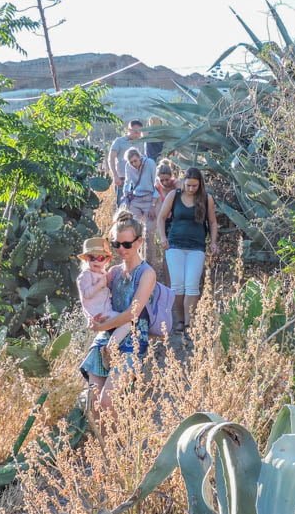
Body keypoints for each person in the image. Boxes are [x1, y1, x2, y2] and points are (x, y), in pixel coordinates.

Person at [80, 211, 157, 420]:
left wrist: (104, 327)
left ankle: (119, 447)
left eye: (126, 244)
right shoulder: (112, 272)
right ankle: (104, 449)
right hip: (106, 336)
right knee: (93, 402)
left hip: (131, 337)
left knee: (108, 400)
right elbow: (94, 299)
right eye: (116, 245)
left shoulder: (146, 273)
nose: (121, 250)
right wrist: (92, 318)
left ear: (139, 241)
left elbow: (133, 312)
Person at [156, 167, 218, 334]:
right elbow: (161, 217)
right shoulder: (174, 196)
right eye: (188, 185)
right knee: (177, 285)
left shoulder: (206, 199)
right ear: (183, 182)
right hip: (175, 245)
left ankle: (190, 323)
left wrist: (213, 241)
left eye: (195, 186)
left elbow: (212, 222)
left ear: (200, 185)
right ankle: (179, 320)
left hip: (196, 246)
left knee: (191, 284)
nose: (191, 189)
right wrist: (163, 238)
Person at [76, 237, 131, 369]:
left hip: (106, 311)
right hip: (98, 313)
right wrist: (100, 284)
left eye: (100, 258)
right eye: (91, 257)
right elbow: (86, 294)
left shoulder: (103, 273)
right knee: (127, 323)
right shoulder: (85, 276)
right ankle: (109, 349)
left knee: (124, 322)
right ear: (86, 259)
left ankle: (113, 348)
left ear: (107, 260)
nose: (96, 261)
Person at [108, 120, 144, 194]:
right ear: (129, 130)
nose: (138, 134)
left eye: (140, 132)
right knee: (122, 204)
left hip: (138, 180)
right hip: (122, 179)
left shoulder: (142, 142)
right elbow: (111, 159)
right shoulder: (119, 141)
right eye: (136, 132)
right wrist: (115, 176)